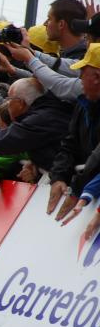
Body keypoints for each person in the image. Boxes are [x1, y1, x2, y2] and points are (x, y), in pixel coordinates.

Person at [0, 77, 72, 173]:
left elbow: (3, 142)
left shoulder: (37, 120)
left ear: (20, 103)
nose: (6, 103)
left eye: (9, 99)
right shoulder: (48, 109)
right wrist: (36, 162)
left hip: (68, 175)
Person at [47, 44, 100, 221]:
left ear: (97, 77)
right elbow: (69, 144)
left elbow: (97, 159)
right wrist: (59, 177)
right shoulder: (83, 103)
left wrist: (77, 190)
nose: (80, 79)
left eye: (83, 73)